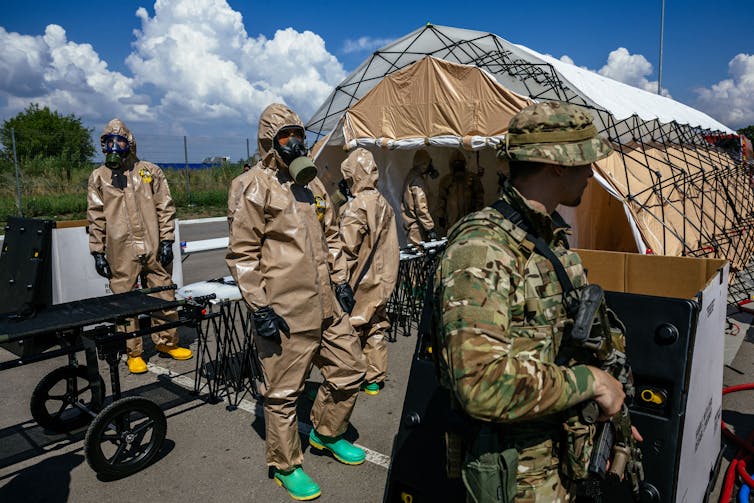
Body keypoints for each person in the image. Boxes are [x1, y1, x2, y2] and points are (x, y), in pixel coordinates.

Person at [435, 101, 639, 501]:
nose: (591, 172)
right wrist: (593, 384)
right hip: (518, 476)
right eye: (586, 162)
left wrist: (608, 408)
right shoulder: (483, 249)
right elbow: (480, 385)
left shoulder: (543, 238)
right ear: (557, 165)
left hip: (558, 454)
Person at [226, 103, 367, 501]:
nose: (295, 143)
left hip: (327, 307)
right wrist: (259, 307)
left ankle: (327, 433)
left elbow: (334, 236)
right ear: (269, 142)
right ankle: (285, 465)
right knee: (284, 394)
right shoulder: (252, 185)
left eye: (299, 135)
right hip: (285, 312)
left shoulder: (313, 185)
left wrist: (340, 282)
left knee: (351, 369)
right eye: (285, 136)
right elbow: (242, 254)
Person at [87, 118, 192, 375]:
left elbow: (165, 207)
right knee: (126, 304)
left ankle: (167, 343)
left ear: (129, 142)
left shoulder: (150, 171)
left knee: (164, 295)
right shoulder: (99, 177)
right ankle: (134, 352)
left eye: (120, 141)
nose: (115, 146)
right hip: (120, 249)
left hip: (153, 245)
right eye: (109, 141)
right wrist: (98, 251)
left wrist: (167, 239)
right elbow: (96, 216)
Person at [338, 148, 399, 396]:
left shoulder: (355, 208)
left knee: (350, 328)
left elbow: (345, 250)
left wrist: (338, 279)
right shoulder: (384, 203)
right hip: (383, 279)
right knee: (376, 326)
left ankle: (348, 378)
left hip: (360, 280)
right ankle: (374, 379)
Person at [436, 149, 485, 234]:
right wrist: (441, 215)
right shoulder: (446, 180)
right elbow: (441, 199)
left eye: (460, 163)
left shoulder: (472, 178)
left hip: (470, 217)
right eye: (455, 163)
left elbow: (479, 196)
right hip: (452, 218)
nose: (458, 165)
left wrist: (479, 213)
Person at [401, 149, 439, 246]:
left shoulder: (412, 176)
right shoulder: (417, 180)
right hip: (417, 227)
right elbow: (420, 206)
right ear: (424, 164)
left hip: (414, 226)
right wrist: (430, 227)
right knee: (420, 256)